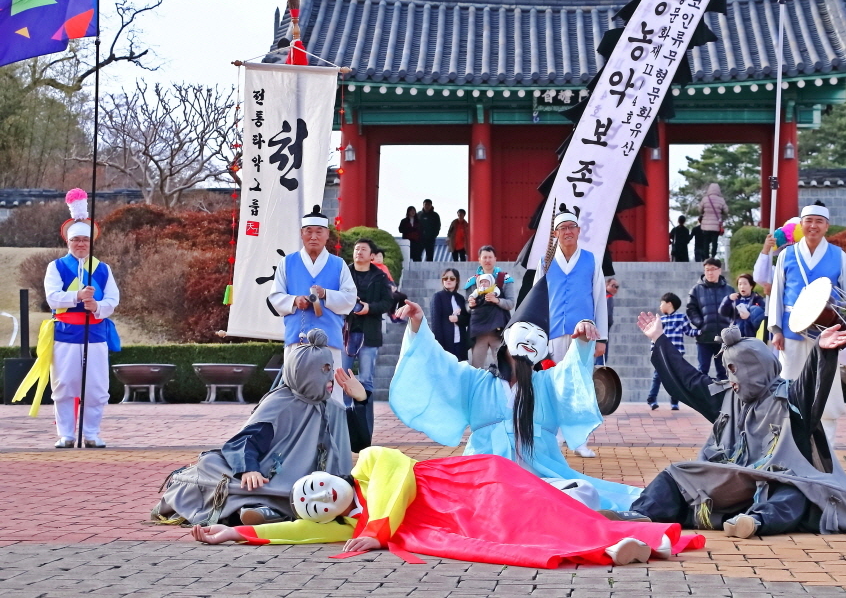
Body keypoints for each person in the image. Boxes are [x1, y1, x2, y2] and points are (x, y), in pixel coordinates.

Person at [189, 446, 706, 568]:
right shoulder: (350, 521)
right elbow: (307, 531)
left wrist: (377, 528)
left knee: (537, 509)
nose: (327, 502)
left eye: (321, 489)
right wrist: (241, 535)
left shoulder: (368, 462)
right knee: (506, 542)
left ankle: (645, 536)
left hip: (473, 485)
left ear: (330, 477)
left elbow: (398, 476)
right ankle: (615, 548)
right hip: (444, 522)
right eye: (322, 508)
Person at [388, 280, 642, 511]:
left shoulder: (547, 385)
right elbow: (439, 365)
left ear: (543, 350)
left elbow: (571, 374)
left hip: (539, 480)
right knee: (435, 491)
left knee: (583, 492)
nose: (531, 340)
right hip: (486, 479)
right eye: (525, 331)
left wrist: (583, 343)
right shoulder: (477, 383)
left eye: (540, 337)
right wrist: (418, 325)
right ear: (507, 337)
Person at [630, 319, 846, 539]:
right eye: (728, 371)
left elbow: (810, 383)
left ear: (757, 368)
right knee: (675, 474)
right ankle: (642, 513)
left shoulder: (791, 398)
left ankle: (754, 522)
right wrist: (659, 339)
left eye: (736, 371)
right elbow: (688, 380)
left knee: (796, 493)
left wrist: (821, 352)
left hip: (778, 483)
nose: (732, 380)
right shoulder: (726, 397)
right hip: (733, 483)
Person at [152, 329, 366, 526]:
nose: (330, 378)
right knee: (212, 463)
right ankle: (262, 509)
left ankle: (260, 509)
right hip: (271, 476)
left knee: (313, 493)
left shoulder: (333, 409)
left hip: (315, 483)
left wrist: (360, 400)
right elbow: (246, 441)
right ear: (302, 372)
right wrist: (249, 469)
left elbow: (360, 443)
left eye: (331, 369)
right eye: (323, 371)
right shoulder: (280, 403)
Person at [766, 203, 846, 447]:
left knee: (827, 383)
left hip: (828, 329)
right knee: (790, 381)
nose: (813, 226)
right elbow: (777, 293)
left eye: (819, 221)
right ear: (801, 224)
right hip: (792, 329)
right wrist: (776, 329)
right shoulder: (786, 254)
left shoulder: (837, 255)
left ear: (826, 226)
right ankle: (786, 443)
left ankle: (826, 446)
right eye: (809, 220)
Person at [19, 189, 121, 448]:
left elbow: (113, 300)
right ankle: (65, 433)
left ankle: (91, 433)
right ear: (68, 241)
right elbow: (52, 298)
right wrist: (77, 296)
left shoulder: (103, 269)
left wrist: (96, 304)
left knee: (96, 387)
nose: (80, 244)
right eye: (75, 240)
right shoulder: (56, 267)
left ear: (91, 242)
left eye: (84, 241)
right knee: (64, 384)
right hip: (65, 333)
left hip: (95, 333)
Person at [535, 211, 609, 459]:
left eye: (572, 227)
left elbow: (600, 299)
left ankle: (579, 440)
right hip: (553, 332)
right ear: (555, 234)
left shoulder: (591, 260)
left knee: (582, 386)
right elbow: (537, 300)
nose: (567, 232)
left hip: (585, 335)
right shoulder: (545, 262)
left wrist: (602, 338)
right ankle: (555, 436)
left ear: (578, 231)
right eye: (562, 228)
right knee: (554, 386)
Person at [268, 205, 358, 367]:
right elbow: (275, 296)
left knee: (330, 387)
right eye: (308, 231)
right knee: (296, 387)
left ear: (327, 235)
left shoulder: (338, 264)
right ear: (301, 234)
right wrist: (295, 301)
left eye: (319, 231)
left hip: (330, 338)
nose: (313, 237)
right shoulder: (287, 262)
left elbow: (350, 298)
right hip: (297, 337)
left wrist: (326, 294)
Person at [346, 238, 394, 437]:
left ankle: (365, 430)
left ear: (372, 255)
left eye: (363, 249)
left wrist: (369, 308)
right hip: (346, 333)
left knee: (366, 381)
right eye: (356, 249)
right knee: (342, 380)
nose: (359, 252)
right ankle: (343, 429)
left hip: (369, 334)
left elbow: (387, 303)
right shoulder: (344, 273)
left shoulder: (380, 276)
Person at [464, 245, 515, 368]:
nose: (487, 260)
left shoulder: (505, 279)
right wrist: (471, 305)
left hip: (498, 330)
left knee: (504, 367)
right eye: (484, 257)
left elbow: (511, 304)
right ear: (479, 260)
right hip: (478, 331)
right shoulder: (472, 281)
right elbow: (466, 306)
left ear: (495, 259)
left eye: (490, 257)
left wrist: (496, 300)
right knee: (476, 368)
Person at [685, 258, 735, 380]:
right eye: (707, 270)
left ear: (720, 270)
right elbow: (691, 309)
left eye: (713, 269)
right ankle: (702, 398)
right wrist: (700, 324)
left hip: (723, 338)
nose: (710, 273)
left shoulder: (729, 290)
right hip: (704, 337)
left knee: (723, 372)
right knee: (702, 370)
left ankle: (723, 398)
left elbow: (734, 310)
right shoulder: (696, 289)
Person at [647, 292, 697, 412]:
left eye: (662, 303)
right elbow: (655, 337)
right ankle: (652, 399)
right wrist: (653, 349)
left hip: (676, 353)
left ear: (669, 304)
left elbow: (689, 331)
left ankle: (674, 402)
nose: (660, 306)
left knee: (675, 378)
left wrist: (701, 332)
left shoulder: (681, 317)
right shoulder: (660, 320)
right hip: (662, 353)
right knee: (657, 376)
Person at [430, 268, 469, 361]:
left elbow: (467, 320)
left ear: (457, 281)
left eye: (452, 278)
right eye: (445, 278)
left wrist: (458, 319)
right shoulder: (438, 297)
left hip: (460, 342)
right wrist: (439, 345)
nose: (448, 280)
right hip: (445, 342)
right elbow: (435, 323)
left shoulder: (460, 298)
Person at [719, 273, 766, 338]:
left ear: (751, 286)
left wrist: (749, 317)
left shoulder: (758, 300)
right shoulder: (734, 299)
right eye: (740, 284)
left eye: (745, 284)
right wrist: (728, 299)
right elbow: (723, 312)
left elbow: (762, 321)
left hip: (752, 338)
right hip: (735, 337)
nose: (742, 286)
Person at [698, 183, 728, 259]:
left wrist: (704, 212)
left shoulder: (705, 199)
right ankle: (713, 256)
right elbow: (726, 211)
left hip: (705, 225)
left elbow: (699, 209)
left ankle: (706, 257)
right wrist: (720, 212)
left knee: (706, 242)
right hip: (716, 225)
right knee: (715, 241)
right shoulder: (721, 200)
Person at [596, 277, 618, 366]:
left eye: (617, 287)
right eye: (613, 286)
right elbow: (607, 314)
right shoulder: (607, 297)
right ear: (606, 285)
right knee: (601, 355)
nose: (615, 289)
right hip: (602, 329)